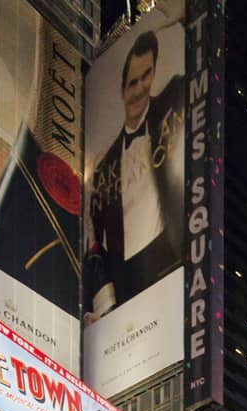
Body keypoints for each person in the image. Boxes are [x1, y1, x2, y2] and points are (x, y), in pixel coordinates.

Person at [86, 8, 185, 317]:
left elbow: (189, 16)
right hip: (125, 283)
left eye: (147, 76)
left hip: (169, 260)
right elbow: (95, 245)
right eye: (132, 82)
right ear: (121, 89)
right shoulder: (103, 168)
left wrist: (157, 18)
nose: (141, 87)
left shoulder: (173, 99)